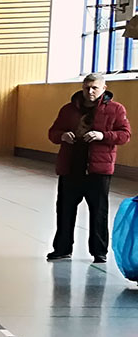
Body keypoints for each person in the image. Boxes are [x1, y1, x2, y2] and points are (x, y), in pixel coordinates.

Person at [47, 73, 132, 263]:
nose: (90, 91)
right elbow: (53, 133)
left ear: (104, 88)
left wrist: (103, 136)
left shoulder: (116, 109)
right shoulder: (68, 109)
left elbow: (125, 135)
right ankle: (62, 249)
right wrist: (62, 136)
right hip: (70, 168)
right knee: (65, 211)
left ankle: (99, 252)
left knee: (99, 213)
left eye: (95, 88)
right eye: (87, 87)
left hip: (98, 171)